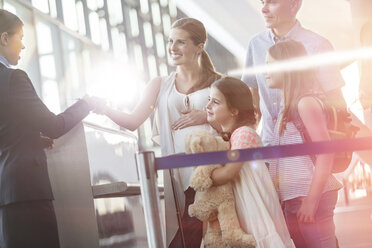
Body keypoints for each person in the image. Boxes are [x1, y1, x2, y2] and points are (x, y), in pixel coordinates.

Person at [95, 18, 221, 247]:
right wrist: (103, 108)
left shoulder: (219, 83)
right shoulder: (160, 84)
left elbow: (238, 123)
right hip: (180, 176)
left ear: (199, 46)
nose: (172, 47)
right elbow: (133, 121)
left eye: (181, 42)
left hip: (214, 172)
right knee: (185, 238)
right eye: (170, 41)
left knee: (214, 235)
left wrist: (207, 116)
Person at [0, 9, 96, 247]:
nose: (23, 46)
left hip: (6, 194)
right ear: (3, 38)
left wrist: (30, 137)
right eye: (20, 37)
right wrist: (86, 104)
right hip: (27, 192)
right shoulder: (14, 79)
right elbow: (54, 125)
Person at [265, 40, 343, 248]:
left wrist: (312, 200)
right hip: (296, 197)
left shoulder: (305, 103)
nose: (265, 71)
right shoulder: (286, 105)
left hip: (310, 196)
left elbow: (326, 153)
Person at [242, 0, 346, 147]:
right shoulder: (255, 44)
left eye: (272, 3)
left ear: (294, 5)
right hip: (267, 148)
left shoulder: (319, 46)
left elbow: (338, 103)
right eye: (262, 2)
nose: (264, 9)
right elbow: (253, 99)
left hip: (307, 153)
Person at [206, 76, 295, 248]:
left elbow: (229, 172)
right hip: (246, 211)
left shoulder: (244, 133)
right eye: (208, 100)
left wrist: (203, 177)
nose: (208, 105)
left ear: (234, 110)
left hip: (257, 213)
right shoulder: (230, 137)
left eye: (215, 102)